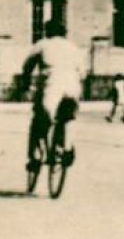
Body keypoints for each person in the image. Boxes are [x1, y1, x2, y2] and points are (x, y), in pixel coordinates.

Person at [19, 18, 85, 173]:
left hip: (52, 87)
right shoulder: (73, 47)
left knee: (40, 120)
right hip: (72, 86)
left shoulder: (42, 44)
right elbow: (82, 72)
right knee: (68, 117)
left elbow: (28, 65)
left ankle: (35, 156)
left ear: (47, 31)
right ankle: (67, 148)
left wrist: (25, 83)